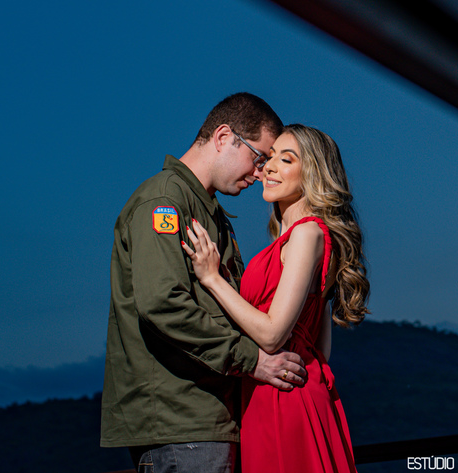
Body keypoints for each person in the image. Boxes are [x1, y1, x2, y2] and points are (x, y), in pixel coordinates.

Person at [100, 93, 309, 473]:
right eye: (258, 158)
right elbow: (162, 303)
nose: (260, 173)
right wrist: (252, 360)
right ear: (224, 137)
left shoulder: (207, 210)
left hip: (208, 417)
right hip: (181, 419)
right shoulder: (164, 201)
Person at [183, 123, 369, 473]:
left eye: (286, 159)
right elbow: (320, 349)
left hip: (281, 395)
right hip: (288, 388)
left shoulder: (307, 234)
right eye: (269, 158)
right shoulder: (308, 238)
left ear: (313, 173)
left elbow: (271, 335)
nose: (268, 167)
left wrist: (212, 280)